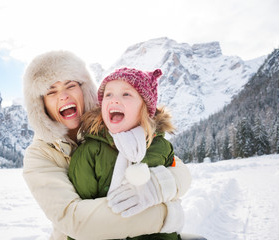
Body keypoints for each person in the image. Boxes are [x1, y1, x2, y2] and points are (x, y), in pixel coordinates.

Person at [22, 50, 192, 240]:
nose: (63, 97)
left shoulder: (116, 128)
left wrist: (160, 185)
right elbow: (74, 220)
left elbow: (177, 167)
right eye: (51, 92)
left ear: (84, 90)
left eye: (70, 85)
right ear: (41, 104)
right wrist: (166, 215)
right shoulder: (39, 155)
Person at [68, 67, 184, 240]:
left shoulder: (160, 147)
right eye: (108, 95)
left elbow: (174, 192)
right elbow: (82, 221)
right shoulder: (90, 152)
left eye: (126, 94)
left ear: (144, 108)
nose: (114, 100)